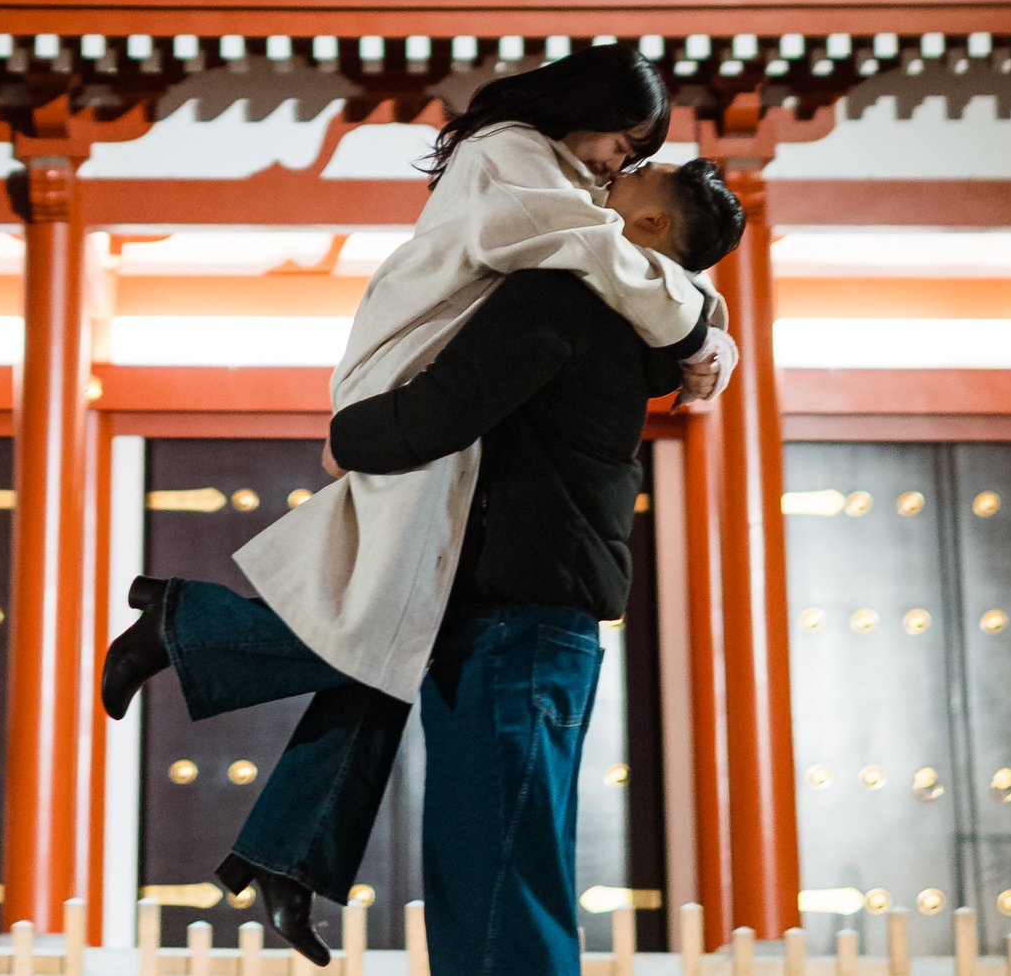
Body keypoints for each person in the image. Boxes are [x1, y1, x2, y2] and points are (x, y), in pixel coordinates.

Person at [104, 147, 747, 974]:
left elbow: (447, 406)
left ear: (650, 225)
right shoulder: (624, 306)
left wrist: (348, 438)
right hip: (505, 607)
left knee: (497, 869)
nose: (602, 179)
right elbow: (679, 312)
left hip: (524, 615)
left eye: (628, 175)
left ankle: (194, 636)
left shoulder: (571, 296)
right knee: (487, 867)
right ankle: (250, 770)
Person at [238, 44, 732, 713]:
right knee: (381, 601)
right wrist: (700, 336)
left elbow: (649, 261)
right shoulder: (508, 153)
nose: (619, 165)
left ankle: (194, 629)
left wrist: (713, 338)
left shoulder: (568, 183)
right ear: (588, 109)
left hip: (445, 360)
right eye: (622, 142)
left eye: (634, 157)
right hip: (409, 359)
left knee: (385, 609)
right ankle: (196, 626)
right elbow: (597, 248)